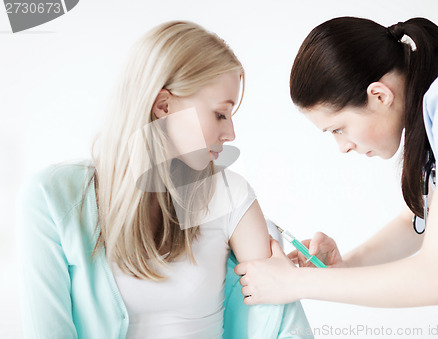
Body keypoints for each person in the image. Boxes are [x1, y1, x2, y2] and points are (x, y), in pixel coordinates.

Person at [16, 21, 312, 338]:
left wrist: (308, 278)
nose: (231, 134)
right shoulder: (53, 197)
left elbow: (282, 321)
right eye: (220, 114)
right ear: (164, 106)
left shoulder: (231, 195)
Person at [235, 16, 438, 307]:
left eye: (338, 129)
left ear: (379, 95)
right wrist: (345, 266)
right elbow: (416, 221)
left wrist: (292, 283)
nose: (343, 147)